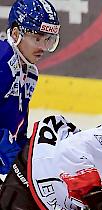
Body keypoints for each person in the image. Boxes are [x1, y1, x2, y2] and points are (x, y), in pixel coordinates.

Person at [0, 0, 60, 180]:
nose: (43, 47)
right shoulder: (2, 60)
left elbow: (18, 127)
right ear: (16, 33)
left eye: (48, 40)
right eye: (37, 38)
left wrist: (26, 152)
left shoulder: (30, 72)